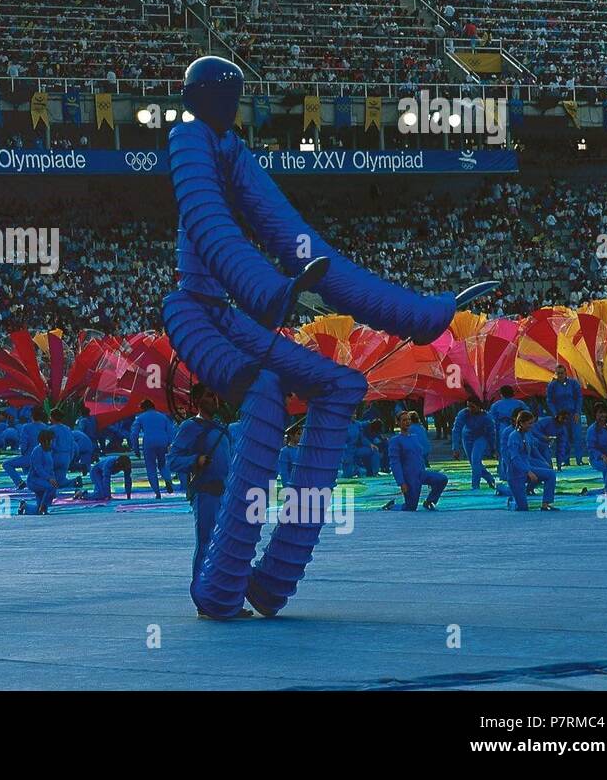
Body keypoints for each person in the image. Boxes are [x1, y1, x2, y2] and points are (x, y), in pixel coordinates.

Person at [161, 55, 458, 618]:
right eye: (223, 95)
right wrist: (273, 291)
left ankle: (275, 580)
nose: (230, 105)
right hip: (194, 313)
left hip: (231, 314)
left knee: (342, 385)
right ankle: (220, 587)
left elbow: (295, 237)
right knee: (264, 391)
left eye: (235, 95)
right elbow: (210, 227)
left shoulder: (233, 154)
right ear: (200, 98)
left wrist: (423, 315)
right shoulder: (189, 142)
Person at [166, 384, 232, 599]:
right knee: (206, 543)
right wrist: (196, 460)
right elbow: (172, 460)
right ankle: (202, 597)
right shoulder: (190, 427)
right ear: (198, 400)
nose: (215, 399)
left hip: (225, 495)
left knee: (225, 547)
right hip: (206, 493)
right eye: (209, 396)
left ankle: (222, 597)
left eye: (215, 395)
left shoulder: (222, 429)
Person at [383, 411, 446, 510]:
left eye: (408, 420)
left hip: (421, 473)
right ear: (398, 423)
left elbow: (420, 456)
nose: (407, 422)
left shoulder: (414, 437)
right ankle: (391, 506)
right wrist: (401, 482)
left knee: (442, 479)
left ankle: (430, 501)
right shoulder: (395, 440)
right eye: (404, 420)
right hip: (409, 478)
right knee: (411, 507)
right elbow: (395, 463)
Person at [505, 409, 558, 511]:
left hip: (528, 468)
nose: (532, 426)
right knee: (523, 508)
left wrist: (544, 462)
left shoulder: (527, 435)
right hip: (516, 475)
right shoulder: (513, 437)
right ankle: (511, 501)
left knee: (550, 474)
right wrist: (528, 472)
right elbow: (515, 459)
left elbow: (534, 449)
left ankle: (545, 504)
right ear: (521, 423)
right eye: (529, 423)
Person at [130, 399, 175, 498]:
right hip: (163, 440)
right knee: (163, 464)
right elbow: (171, 430)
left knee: (151, 468)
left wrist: (136, 448)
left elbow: (134, 434)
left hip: (149, 443)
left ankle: (157, 493)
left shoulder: (140, 418)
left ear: (143, 408)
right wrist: (170, 444)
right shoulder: (163, 416)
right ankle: (168, 480)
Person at [545, 364, 583, 465]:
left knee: (577, 436)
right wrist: (555, 414)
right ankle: (565, 461)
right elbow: (549, 400)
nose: (560, 375)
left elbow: (579, 398)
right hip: (560, 416)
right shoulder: (552, 385)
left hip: (573, 414)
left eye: (562, 373)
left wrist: (577, 412)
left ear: (566, 373)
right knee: (563, 437)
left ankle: (579, 460)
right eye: (558, 373)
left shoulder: (573, 383)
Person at [459, 400, 499, 490]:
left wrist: (493, 448)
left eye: (472, 407)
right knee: (474, 463)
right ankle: (489, 478)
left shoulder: (487, 417)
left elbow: (491, 433)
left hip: (481, 437)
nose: (470, 409)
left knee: (476, 460)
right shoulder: (463, 413)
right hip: (467, 438)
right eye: (468, 406)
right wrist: (455, 447)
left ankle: (475, 485)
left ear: (479, 407)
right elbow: (456, 429)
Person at [19, 429, 58, 515]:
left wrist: (53, 479)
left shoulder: (48, 451)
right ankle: (42, 507)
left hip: (43, 480)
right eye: (51, 440)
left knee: (38, 510)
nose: (53, 442)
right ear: (46, 441)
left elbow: (50, 469)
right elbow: (38, 469)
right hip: (34, 480)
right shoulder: (37, 451)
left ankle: (25, 506)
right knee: (50, 487)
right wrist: (49, 479)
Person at [585, 404, 607, 496]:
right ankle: (606, 491)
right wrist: (602, 456)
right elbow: (591, 448)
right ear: (595, 414)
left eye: (604, 412)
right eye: (600, 412)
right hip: (597, 459)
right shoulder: (592, 430)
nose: (603, 415)